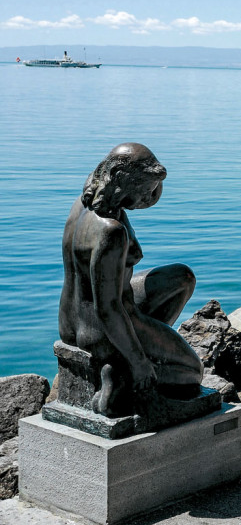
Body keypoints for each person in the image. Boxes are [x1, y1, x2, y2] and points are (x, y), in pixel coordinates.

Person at [59, 143, 203, 417]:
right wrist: (138, 363)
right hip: (100, 329)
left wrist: (153, 181)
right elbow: (108, 308)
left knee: (182, 278)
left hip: (72, 320)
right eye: (148, 189)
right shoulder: (110, 232)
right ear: (126, 184)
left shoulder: (86, 204)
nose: (152, 196)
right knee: (193, 372)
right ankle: (123, 372)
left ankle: (144, 346)